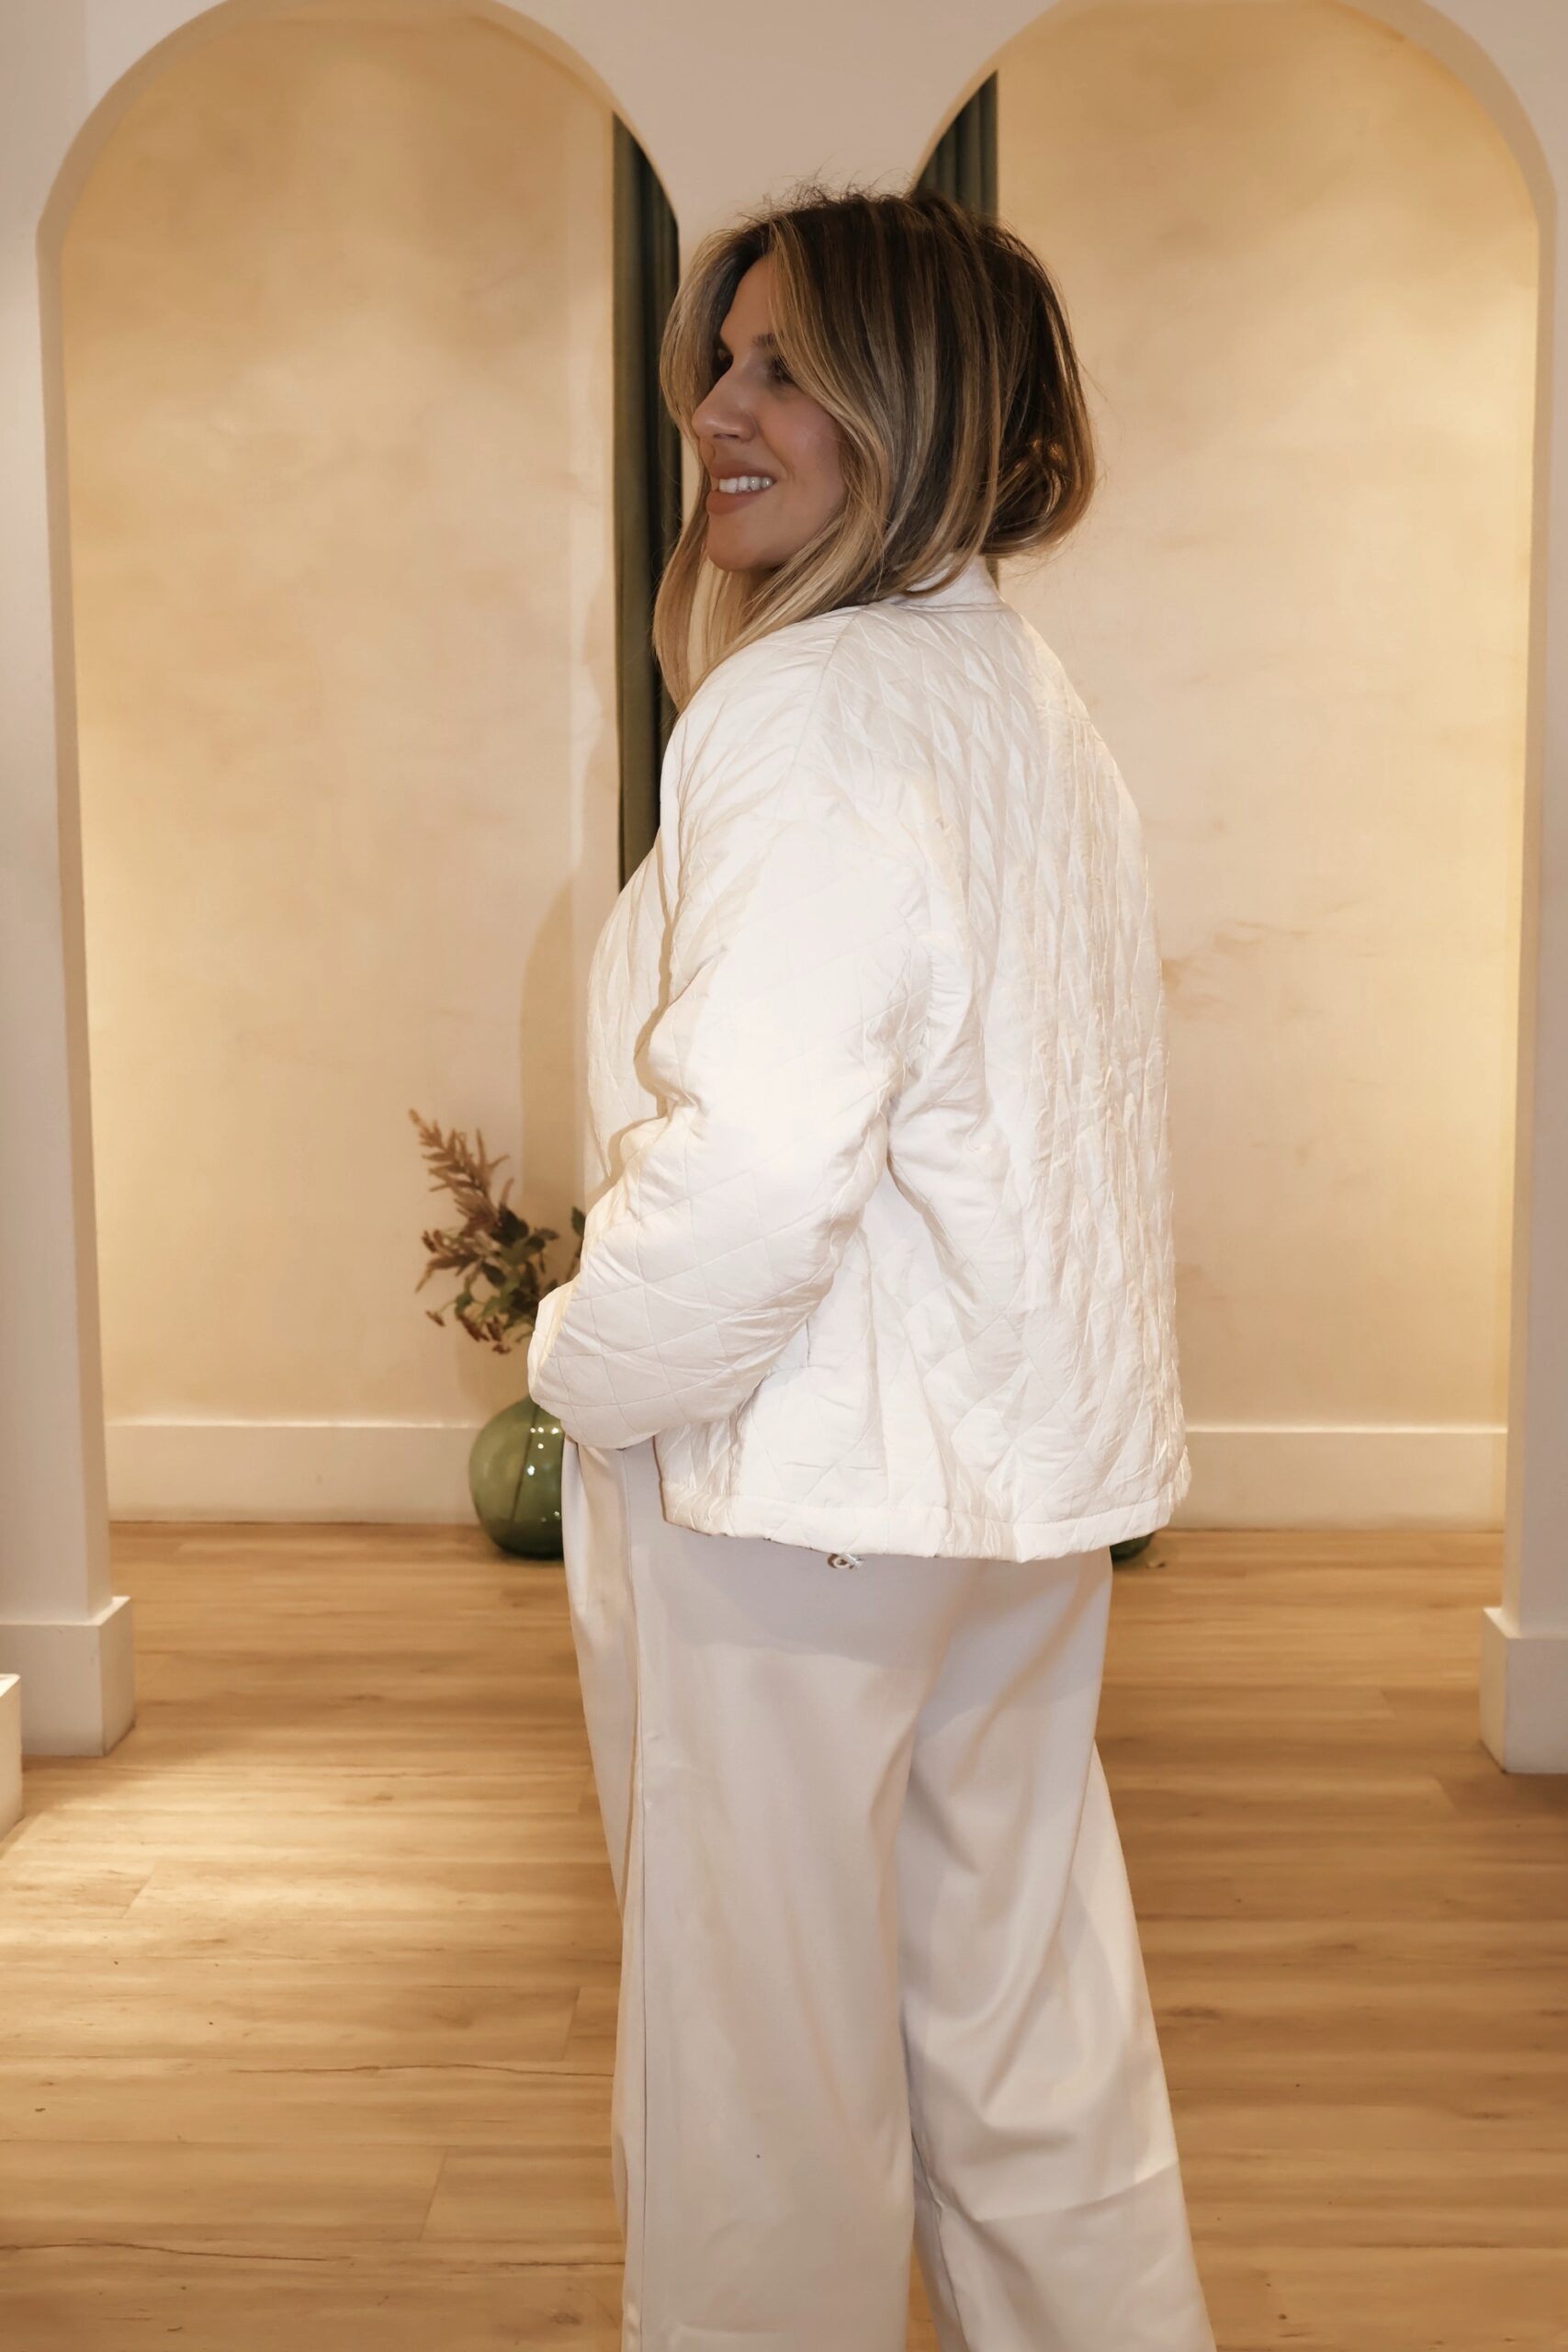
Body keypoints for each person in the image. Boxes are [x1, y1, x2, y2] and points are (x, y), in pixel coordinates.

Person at [526, 179, 1217, 2352]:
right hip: (1005, 1500)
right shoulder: (1020, 691)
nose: (717, 411)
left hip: (797, 1502)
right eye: (720, 362)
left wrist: (580, 1368)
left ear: (914, 408)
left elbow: (751, 1169)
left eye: (783, 368)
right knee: (1030, 2043)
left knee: (761, 2091)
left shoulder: (808, 706)